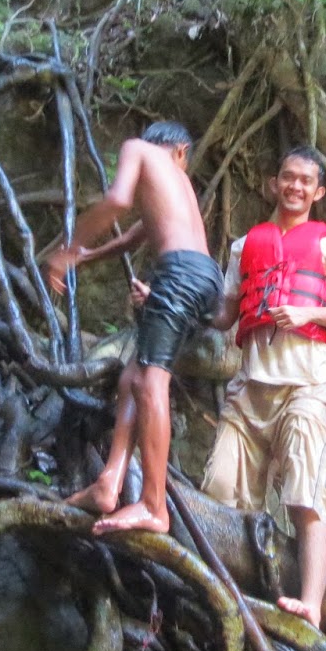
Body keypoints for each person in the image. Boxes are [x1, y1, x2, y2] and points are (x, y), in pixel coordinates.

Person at [200, 146, 326, 629]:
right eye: (287, 178)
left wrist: (308, 313)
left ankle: (310, 605)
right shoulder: (244, 245)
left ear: (319, 192)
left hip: (305, 388)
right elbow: (225, 315)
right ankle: (227, 593)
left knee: (304, 497)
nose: (294, 187)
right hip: (249, 388)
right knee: (220, 488)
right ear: (275, 183)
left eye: (304, 181)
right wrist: (164, 301)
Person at [44, 122, 220, 536]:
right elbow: (131, 239)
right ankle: (110, 481)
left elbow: (117, 200)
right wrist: (86, 257)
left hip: (179, 275)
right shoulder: (178, 187)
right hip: (206, 278)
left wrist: (66, 251)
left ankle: (154, 506)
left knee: (151, 383)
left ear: (172, 149)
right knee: (133, 374)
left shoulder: (139, 149)